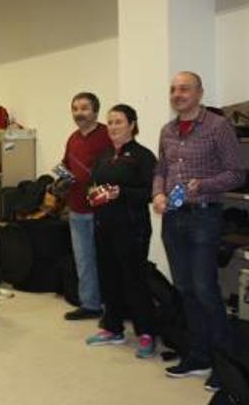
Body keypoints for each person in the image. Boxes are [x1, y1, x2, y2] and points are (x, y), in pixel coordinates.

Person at [152, 71, 244, 392]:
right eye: (174, 90)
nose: (178, 94)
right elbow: (160, 170)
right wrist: (158, 194)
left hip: (204, 217)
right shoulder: (167, 130)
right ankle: (198, 355)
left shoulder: (219, 127)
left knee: (206, 290)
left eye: (185, 89)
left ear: (200, 93)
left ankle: (224, 365)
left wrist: (203, 185)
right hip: (173, 219)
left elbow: (236, 173)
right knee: (185, 289)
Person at [84, 104, 158, 358]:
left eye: (118, 122)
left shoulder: (143, 156)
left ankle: (146, 333)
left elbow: (152, 192)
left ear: (132, 125)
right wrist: (94, 195)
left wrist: (122, 193)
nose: (113, 127)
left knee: (135, 280)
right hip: (104, 225)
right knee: (108, 277)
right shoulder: (103, 156)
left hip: (132, 228)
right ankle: (112, 327)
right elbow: (94, 184)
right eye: (111, 122)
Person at [61, 92, 112, 320]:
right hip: (76, 209)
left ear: (95, 111)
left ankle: (113, 307)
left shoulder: (106, 135)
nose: (79, 113)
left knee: (106, 260)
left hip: (102, 211)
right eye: (75, 108)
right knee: (84, 260)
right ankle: (90, 304)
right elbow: (66, 166)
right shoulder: (72, 138)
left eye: (84, 108)